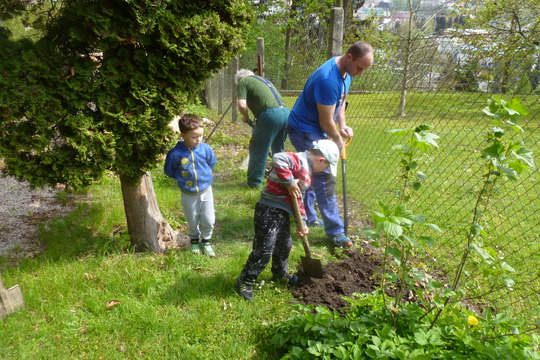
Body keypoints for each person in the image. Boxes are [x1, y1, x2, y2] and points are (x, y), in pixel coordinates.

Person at [287, 41, 374, 248]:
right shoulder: (328, 79)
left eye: (365, 69)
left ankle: (308, 216)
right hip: (305, 129)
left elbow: (341, 101)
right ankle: (336, 232)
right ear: (349, 57)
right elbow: (325, 121)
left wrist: (342, 125)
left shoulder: (346, 72)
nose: (360, 73)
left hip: (314, 127)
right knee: (324, 178)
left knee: (309, 174)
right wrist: (337, 140)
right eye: (360, 68)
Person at [236, 139, 340, 301]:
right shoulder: (300, 160)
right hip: (268, 208)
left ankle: (279, 273)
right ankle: (246, 279)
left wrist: (302, 222)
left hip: (282, 212)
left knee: (284, 245)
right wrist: (290, 182)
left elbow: (299, 198)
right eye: (326, 167)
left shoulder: (307, 172)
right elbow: (278, 158)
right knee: (265, 248)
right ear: (321, 160)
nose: (323, 170)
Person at [164, 114, 217, 257]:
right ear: (183, 135)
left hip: (206, 190)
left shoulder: (205, 149)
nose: (198, 139)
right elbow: (169, 170)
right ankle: (194, 241)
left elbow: (211, 162)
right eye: (194, 137)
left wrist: (204, 177)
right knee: (192, 219)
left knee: (209, 219)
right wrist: (183, 179)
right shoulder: (175, 153)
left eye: (200, 136)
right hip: (188, 193)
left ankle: (206, 241)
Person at [235, 69, 290, 188]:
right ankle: (281, 179)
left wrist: (245, 116)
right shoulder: (264, 80)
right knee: (278, 149)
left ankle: (254, 184)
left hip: (270, 114)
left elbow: (241, 104)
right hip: (286, 113)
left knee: (259, 149)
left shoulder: (243, 82)